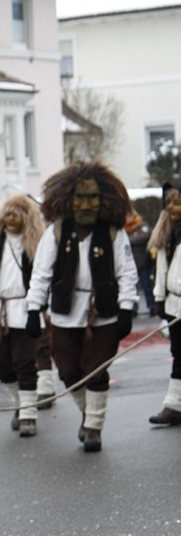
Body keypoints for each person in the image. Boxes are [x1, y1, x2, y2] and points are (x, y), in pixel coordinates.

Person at [25, 161, 138, 452]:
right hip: (64, 313)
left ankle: (93, 429)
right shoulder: (57, 232)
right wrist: (33, 310)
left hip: (104, 313)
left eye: (92, 197)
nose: (86, 204)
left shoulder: (114, 233)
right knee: (69, 372)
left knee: (97, 371)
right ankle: (89, 415)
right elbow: (41, 273)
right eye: (80, 197)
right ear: (67, 199)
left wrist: (126, 308)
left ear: (103, 200)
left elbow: (127, 272)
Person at [0, 194, 45, 436]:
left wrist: (42, 307)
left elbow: (44, 277)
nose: (11, 219)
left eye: (17, 214)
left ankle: (29, 415)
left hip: (25, 310)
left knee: (25, 362)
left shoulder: (35, 243)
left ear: (27, 217)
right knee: (1, 365)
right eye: (8, 213)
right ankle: (21, 402)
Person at [147, 182, 181, 426]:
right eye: (169, 202)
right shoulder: (166, 233)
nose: (172, 207)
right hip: (174, 303)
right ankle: (174, 404)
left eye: (177, 202)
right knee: (178, 354)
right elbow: (161, 269)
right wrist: (159, 298)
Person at [124, 209, 155, 316]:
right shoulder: (125, 228)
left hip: (143, 262)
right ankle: (133, 309)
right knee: (132, 288)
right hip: (130, 263)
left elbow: (145, 237)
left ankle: (152, 307)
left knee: (147, 287)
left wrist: (130, 240)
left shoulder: (142, 225)